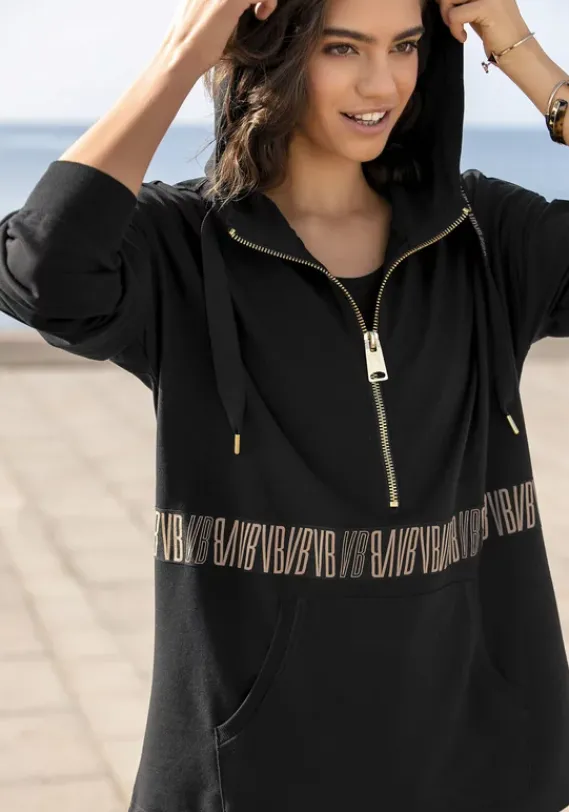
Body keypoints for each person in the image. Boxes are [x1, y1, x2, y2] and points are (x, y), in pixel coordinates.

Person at [1, 0, 569, 808]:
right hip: (254, 777)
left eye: (404, 46)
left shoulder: (483, 236)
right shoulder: (184, 245)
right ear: (270, 52)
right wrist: (185, 52)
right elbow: (40, 272)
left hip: (479, 770)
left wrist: (521, 54)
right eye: (342, 48)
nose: (382, 83)